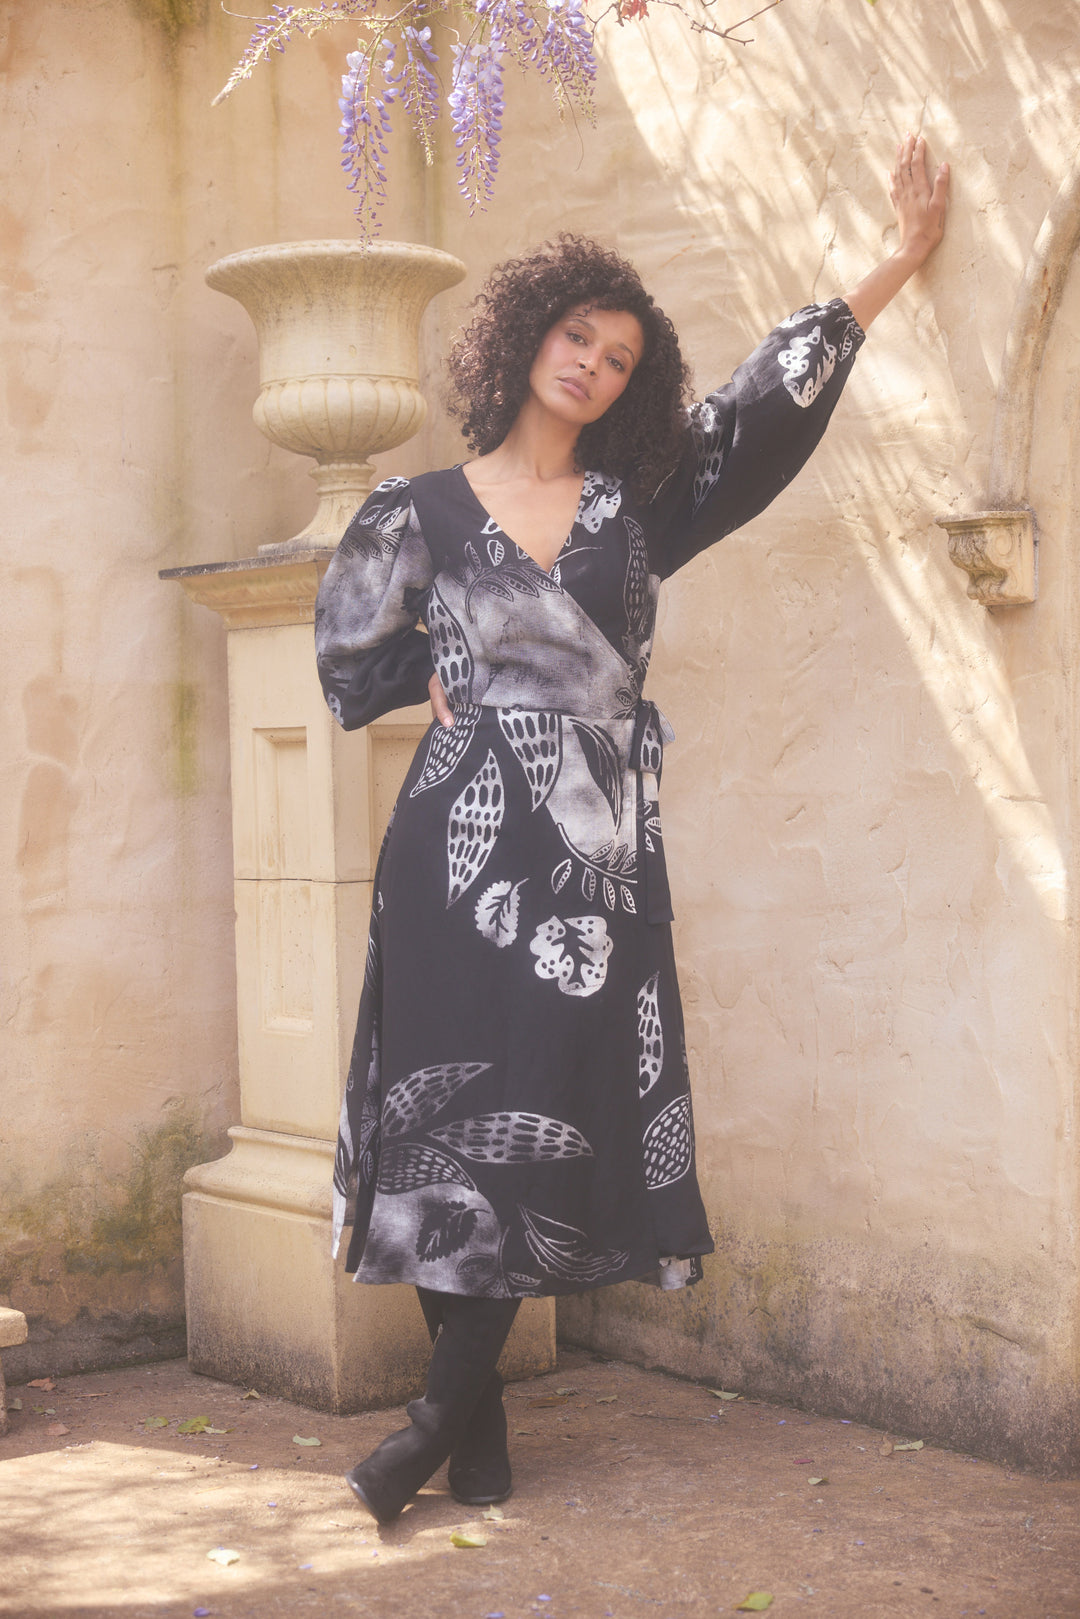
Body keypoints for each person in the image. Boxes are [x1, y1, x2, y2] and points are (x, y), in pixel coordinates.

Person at [314, 133, 949, 1524]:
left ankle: (427, 1428)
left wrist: (890, 268)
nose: (588, 364)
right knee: (448, 1131)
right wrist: (439, 670)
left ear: (628, 382)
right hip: (454, 855)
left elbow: (763, 410)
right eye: (573, 336)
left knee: (546, 1102)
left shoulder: (641, 508)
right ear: (526, 336)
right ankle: (471, 1437)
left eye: (614, 354)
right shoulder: (411, 510)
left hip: (593, 858)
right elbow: (350, 667)